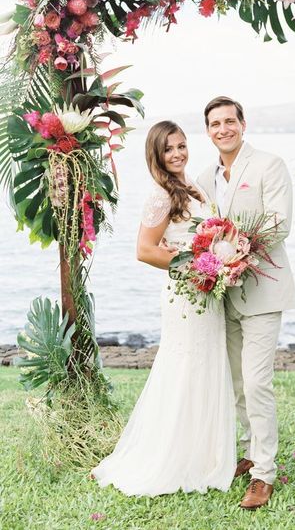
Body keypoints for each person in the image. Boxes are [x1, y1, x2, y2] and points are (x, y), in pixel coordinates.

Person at [91, 120, 236, 495]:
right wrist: (195, 265)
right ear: (156, 155)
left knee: (207, 367)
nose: (177, 154)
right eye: (168, 149)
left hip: (208, 295)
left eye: (182, 146)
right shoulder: (161, 195)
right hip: (186, 297)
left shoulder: (195, 187)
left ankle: (207, 454)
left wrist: (220, 260)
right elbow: (144, 250)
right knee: (185, 369)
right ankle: (175, 456)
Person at [197, 96, 295, 509]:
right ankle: (250, 452)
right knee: (237, 384)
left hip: (261, 289)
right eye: (214, 124)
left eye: (229, 121)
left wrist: (236, 250)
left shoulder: (268, 165)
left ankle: (265, 474)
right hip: (223, 296)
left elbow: (279, 223)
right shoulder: (205, 177)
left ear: (243, 123)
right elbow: (201, 229)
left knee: (257, 383)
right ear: (207, 131)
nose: (223, 129)